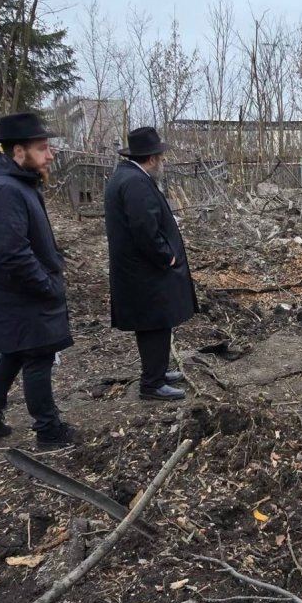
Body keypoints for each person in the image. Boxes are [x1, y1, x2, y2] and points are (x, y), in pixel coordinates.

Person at [0, 112, 77, 446]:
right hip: (21, 291)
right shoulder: (4, 190)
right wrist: (44, 284)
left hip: (17, 290)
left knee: (17, 350)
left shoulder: (15, 183)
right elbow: (10, 249)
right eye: (42, 148)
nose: (50, 155)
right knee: (38, 355)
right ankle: (48, 430)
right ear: (17, 151)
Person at [104, 126, 198, 401]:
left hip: (138, 270)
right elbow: (144, 226)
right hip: (145, 270)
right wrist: (165, 254)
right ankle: (152, 384)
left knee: (154, 323)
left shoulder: (128, 176)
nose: (163, 162)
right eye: (161, 157)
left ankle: (156, 372)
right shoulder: (135, 182)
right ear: (152, 158)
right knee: (155, 322)